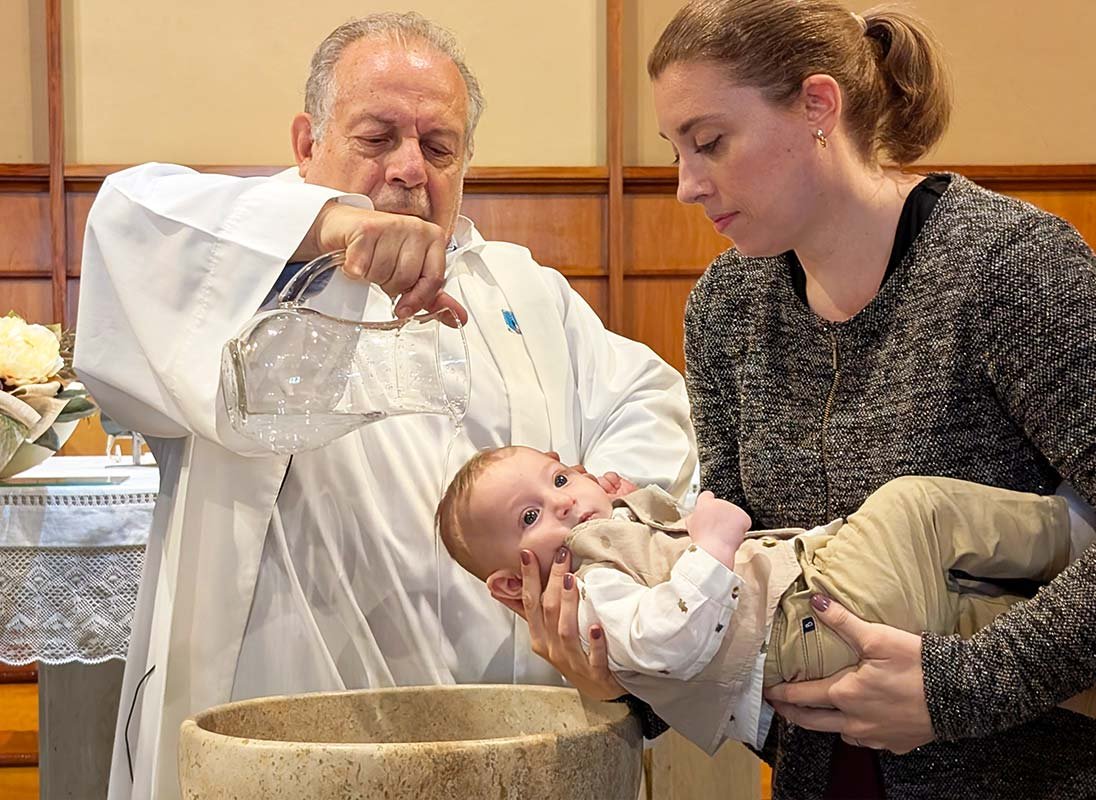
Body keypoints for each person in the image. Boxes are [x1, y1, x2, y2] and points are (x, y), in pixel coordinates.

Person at [73, 13, 695, 800]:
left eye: (439, 147)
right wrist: (333, 229)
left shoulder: (519, 287)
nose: (409, 169)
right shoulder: (247, 263)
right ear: (307, 144)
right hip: (296, 714)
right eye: (376, 137)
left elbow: (648, 401)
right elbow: (126, 216)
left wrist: (602, 550)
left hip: (514, 723)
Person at [510, 1, 1096, 798]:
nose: (685, 185)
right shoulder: (729, 305)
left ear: (819, 106)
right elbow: (731, 572)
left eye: (711, 142)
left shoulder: (1006, 268)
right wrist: (622, 670)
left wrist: (955, 686)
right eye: (676, 150)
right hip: (817, 773)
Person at [438, 445, 1089, 755]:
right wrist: (712, 548)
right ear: (509, 583)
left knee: (989, 625)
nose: (562, 501)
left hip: (810, 629)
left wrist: (639, 507)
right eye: (530, 517)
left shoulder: (608, 550)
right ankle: (1071, 533)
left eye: (559, 478)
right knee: (915, 506)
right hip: (804, 621)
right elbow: (670, 641)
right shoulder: (592, 590)